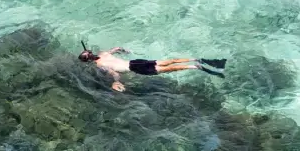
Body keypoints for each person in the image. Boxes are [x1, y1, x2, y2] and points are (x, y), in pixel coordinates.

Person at [79, 45, 225, 93]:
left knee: (169, 69)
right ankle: (197, 60)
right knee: (169, 62)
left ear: (87, 62)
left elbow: (114, 73)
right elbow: (116, 48)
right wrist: (124, 50)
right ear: (91, 53)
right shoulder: (104, 53)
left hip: (135, 68)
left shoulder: (99, 65)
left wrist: (115, 82)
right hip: (136, 61)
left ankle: (195, 66)